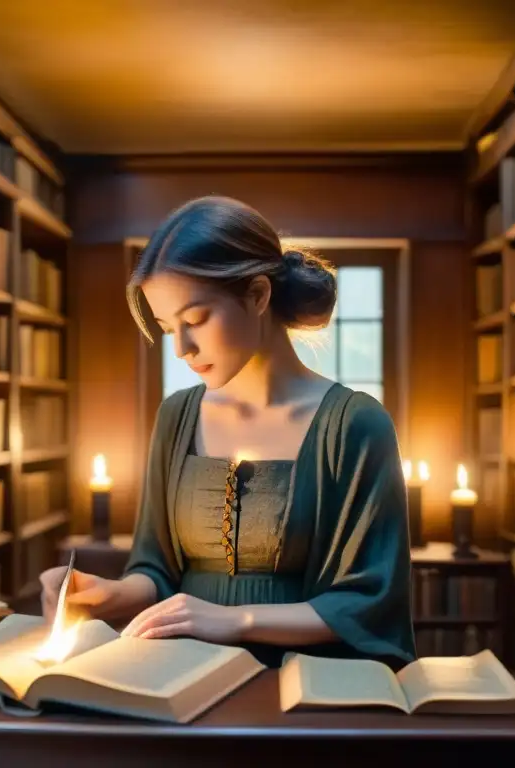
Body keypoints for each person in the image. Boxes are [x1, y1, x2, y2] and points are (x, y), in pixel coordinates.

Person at [40, 196, 416, 669]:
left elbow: (370, 601)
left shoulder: (355, 424)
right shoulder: (177, 417)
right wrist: (106, 593)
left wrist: (236, 620)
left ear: (258, 295)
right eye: (166, 327)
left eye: (195, 320)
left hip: (305, 684)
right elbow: (156, 569)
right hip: (179, 677)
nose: (182, 348)